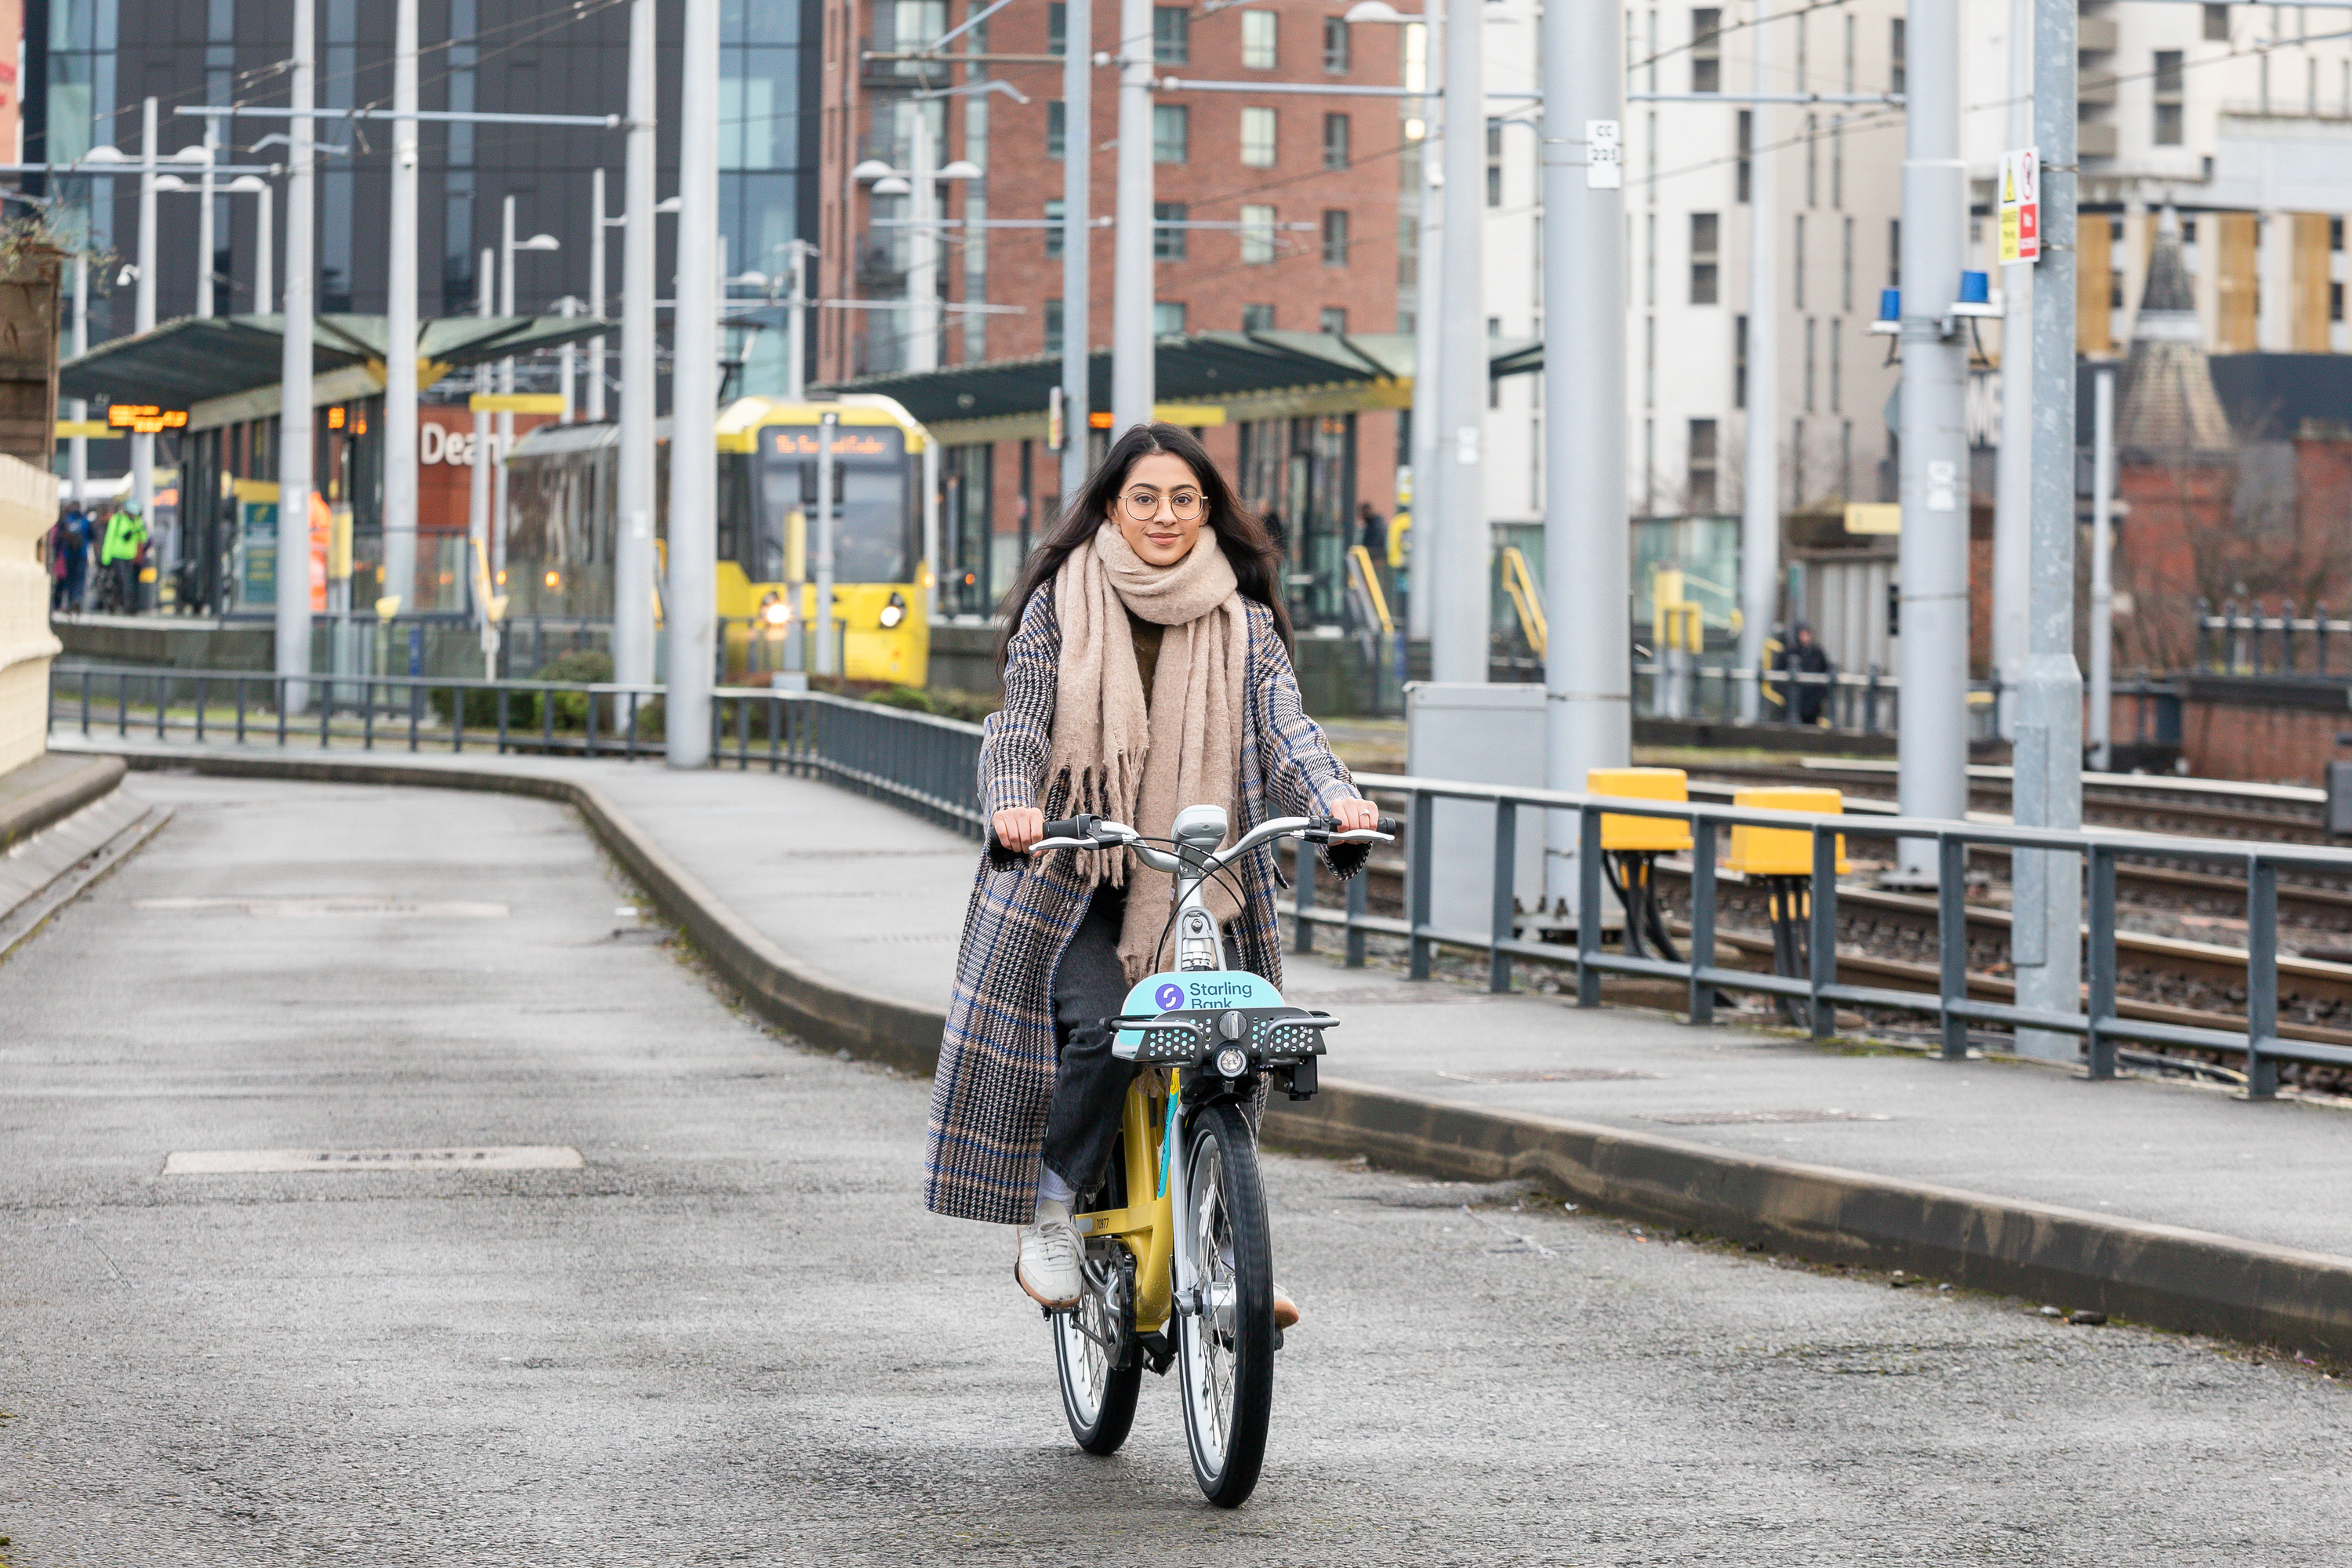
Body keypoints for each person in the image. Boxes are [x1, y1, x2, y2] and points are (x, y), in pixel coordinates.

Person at [924, 423, 1380, 1326]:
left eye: (1183, 499)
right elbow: (1019, 719)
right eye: (1145, 498)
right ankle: (1053, 1213)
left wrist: (1337, 798)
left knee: (1232, 1044)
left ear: (1207, 510)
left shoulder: (1242, 621)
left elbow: (1287, 732)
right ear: (1111, 507)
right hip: (1073, 879)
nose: (1164, 515)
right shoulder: (1065, 603)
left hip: (1198, 879)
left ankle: (1224, 1245)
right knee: (1101, 1029)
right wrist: (1016, 800)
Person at [1780, 622, 1834, 725]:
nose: (1805, 637)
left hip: (1813, 705)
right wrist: (1786, 695)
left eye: (1808, 634)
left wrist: (1819, 697)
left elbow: (1825, 673)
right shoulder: (1789, 652)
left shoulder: (1817, 653)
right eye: (1803, 634)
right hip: (1793, 703)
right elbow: (1779, 675)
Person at [100, 499, 148, 614]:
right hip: (117, 555)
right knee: (122, 581)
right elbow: (109, 539)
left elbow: (144, 539)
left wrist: (139, 526)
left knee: (129, 582)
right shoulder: (117, 520)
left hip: (130, 557)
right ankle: (119, 604)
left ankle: (128, 606)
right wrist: (105, 559)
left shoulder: (137, 522)